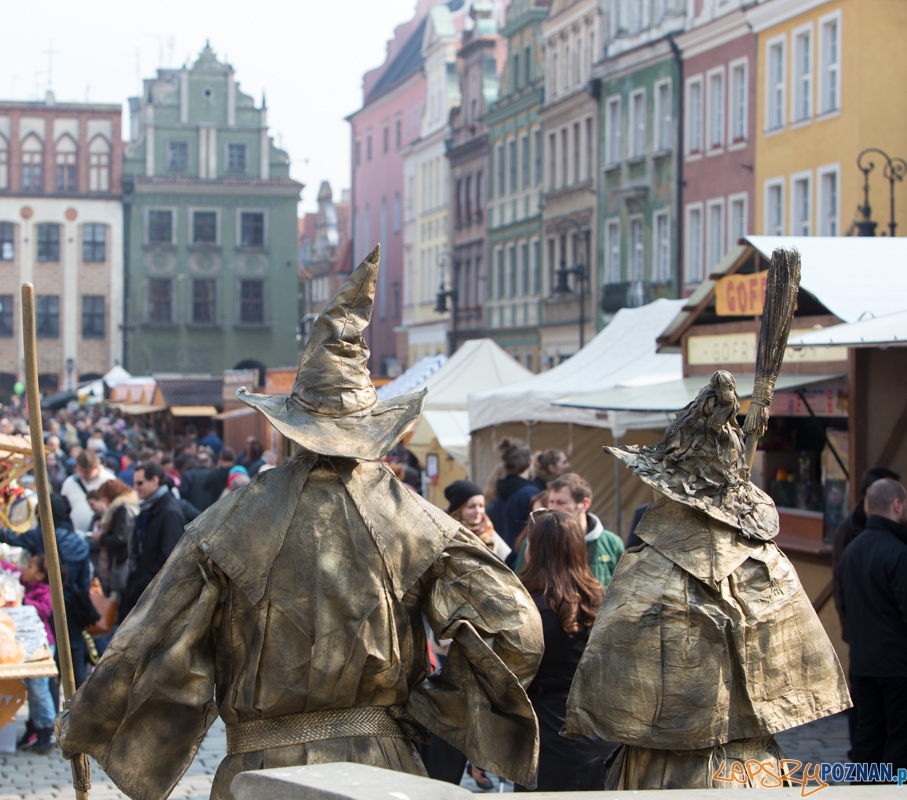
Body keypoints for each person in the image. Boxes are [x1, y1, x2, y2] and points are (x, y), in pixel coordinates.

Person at [58, 248, 544, 800]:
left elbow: (148, 638)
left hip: (261, 771)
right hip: (384, 766)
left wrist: (88, 723)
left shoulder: (229, 521)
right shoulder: (416, 520)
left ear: (290, 427)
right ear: (372, 429)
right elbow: (519, 631)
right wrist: (439, 706)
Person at [564, 371, 850, 789]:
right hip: (750, 772)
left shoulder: (645, 567)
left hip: (662, 774)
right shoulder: (770, 562)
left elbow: (609, 681)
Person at [515, 510, 614, 790]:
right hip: (597, 734)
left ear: (534, 549)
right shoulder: (602, 603)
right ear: (577, 549)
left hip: (543, 736)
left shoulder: (524, 609)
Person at [837, 478, 907, 767]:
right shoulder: (901, 554)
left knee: (866, 740)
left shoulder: (852, 550)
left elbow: (843, 604)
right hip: (900, 667)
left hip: (863, 664)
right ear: (897, 505)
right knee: (901, 742)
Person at [0, 494, 94, 691]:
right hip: (74, 609)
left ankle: (53, 720)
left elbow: (9, 537)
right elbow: (84, 581)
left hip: (51, 606)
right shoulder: (78, 541)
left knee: (50, 666)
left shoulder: (42, 535)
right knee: (76, 662)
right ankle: (82, 714)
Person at [511, 473, 624, 587]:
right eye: (551, 502)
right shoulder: (535, 541)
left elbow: (622, 590)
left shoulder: (612, 543)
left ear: (584, 504)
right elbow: (520, 588)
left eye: (561, 503)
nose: (553, 509)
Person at [832, 466, 902, 643]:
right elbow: (840, 586)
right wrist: (851, 632)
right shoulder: (848, 532)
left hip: (893, 632)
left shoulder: (900, 523)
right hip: (863, 633)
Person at [120, 461, 186, 621]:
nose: (136, 487)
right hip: (143, 591)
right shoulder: (150, 508)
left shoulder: (169, 512)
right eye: (135, 483)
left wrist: (142, 586)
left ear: (154, 481)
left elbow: (169, 559)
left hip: (154, 598)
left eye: (140, 483)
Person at [18, 554, 57, 754]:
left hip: (42, 645)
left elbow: (45, 609)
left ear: (40, 575)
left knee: (39, 688)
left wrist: (23, 600)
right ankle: (36, 726)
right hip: (31, 645)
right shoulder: (27, 584)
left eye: (31, 566)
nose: (26, 568)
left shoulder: (43, 591)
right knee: (33, 690)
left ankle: (50, 729)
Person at [92, 479, 139, 596]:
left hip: (121, 561)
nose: (102, 501)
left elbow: (120, 538)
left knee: (118, 597)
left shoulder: (122, 509)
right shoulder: (126, 506)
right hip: (122, 560)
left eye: (103, 497)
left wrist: (101, 538)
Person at [445, 480, 511, 562]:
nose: (478, 511)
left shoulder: (487, 528)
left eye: (481, 506)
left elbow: (507, 558)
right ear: (458, 509)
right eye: (472, 506)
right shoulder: (448, 533)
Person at [486, 438, 534, 547]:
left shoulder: (497, 491)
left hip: (502, 553)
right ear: (529, 463)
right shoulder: (530, 493)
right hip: (520, 554)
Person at [61, 450, 115, 533]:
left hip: (101, 536)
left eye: (87, 472)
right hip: (76, 535)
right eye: (80, 471)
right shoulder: (70, 482)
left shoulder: (109, 481)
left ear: (96, 467)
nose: (83, 475)